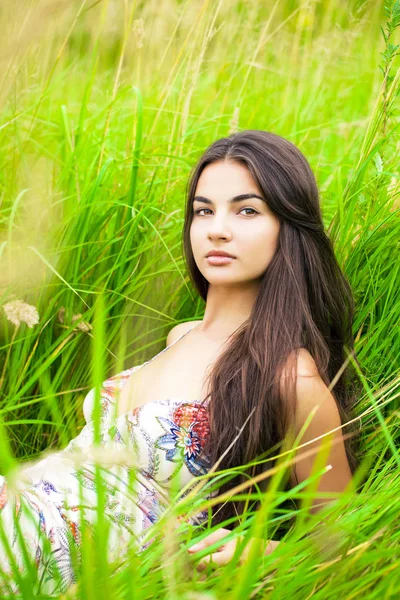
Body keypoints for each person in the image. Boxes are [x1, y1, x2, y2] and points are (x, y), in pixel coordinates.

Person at [0, 129, 360, 593]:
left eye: (246, 210)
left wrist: (261, 550)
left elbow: (348, 546)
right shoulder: (180, 334)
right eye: (203, 210)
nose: (217, 228)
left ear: (288, 228)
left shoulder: (290, 378)